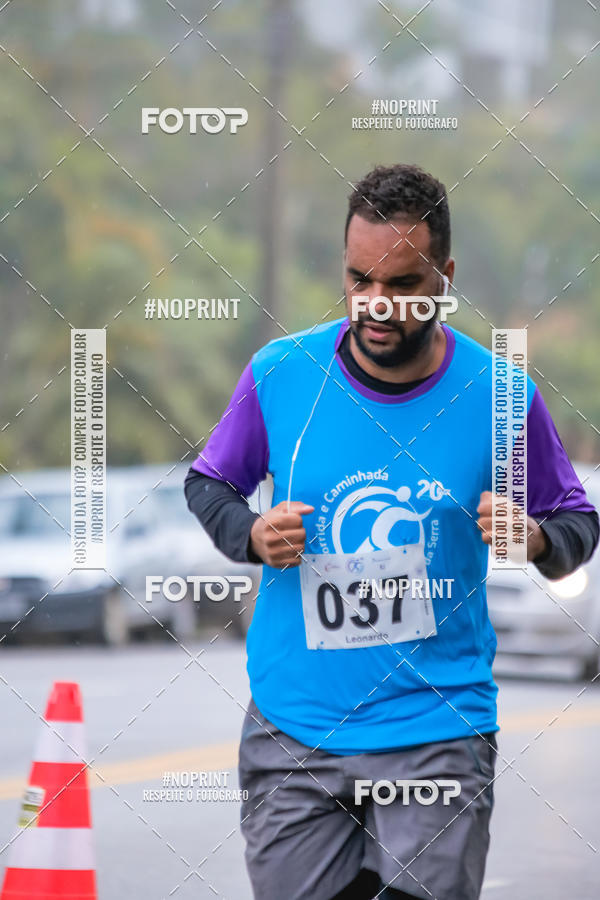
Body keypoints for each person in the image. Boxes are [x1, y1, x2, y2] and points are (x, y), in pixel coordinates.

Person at [184, 164, 599, 900]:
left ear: (445, 276)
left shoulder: (500, 395)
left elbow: (577, 523)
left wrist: (534, 539)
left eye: (403, 285)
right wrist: (249, 534)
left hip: (436, 729)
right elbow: (209, 484)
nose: (376, 305)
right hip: (296, 729)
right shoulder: (282, 373)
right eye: (358, 280)